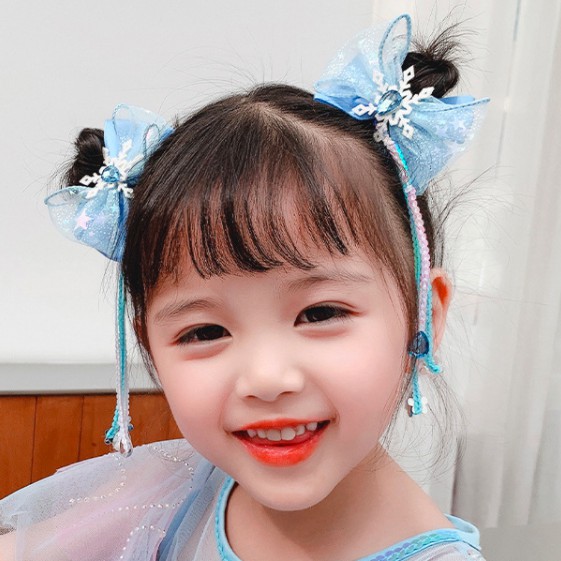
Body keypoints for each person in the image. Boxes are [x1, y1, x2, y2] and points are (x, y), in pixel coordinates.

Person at [0, 14, 489, 561]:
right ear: (150, 346)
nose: (266, 379)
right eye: (204, 331)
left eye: (320, 313)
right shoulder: (179, 486)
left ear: (424, 314)